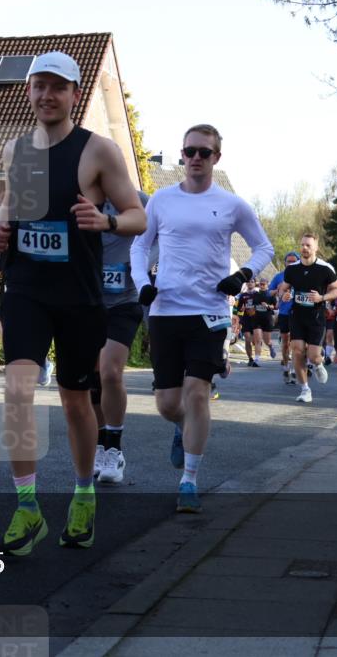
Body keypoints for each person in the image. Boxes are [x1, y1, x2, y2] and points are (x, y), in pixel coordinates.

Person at [0, 51, 146, 554]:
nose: (46, 96)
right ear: (28, 91)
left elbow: (138, 215)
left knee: (77, 401)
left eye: (58, 87)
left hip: (79, 295)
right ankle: (27, 506)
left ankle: (82, 496)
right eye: (38, 86)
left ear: (75, 94)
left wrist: (108, 222)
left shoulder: (98, 151)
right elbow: (12, 211)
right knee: (16, 391)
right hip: (27, 289)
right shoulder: (16, 150)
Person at [132, 123, 274, 512]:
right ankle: (182, 428)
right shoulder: (161, 200)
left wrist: (242, 276)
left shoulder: (232, 204)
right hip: (165, 309)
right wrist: (142, 282)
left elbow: (264, 246)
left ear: (217, 158)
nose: (195, 158)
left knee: (197, 393)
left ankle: (189, 482)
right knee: (166, 403)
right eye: (189, 151)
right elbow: (140, 246)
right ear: (181, 155)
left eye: (204, 153)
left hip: (210, 312)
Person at [92, 193, 150, 484]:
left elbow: (161, 233)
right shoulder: (77, 194)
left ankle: (114, 449)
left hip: (125, 300)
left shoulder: (137, 198)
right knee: (90, 378)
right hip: (88, 301)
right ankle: (101, 444)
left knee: (111, 371)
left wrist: (140, 267)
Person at [276, 233, 337, 402]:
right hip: (297, 316)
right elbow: (283, 288)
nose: (304, 248)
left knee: (313, 356)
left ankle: (318, 363)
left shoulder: (325, 268)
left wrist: (321, 298)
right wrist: (284, 295)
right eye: (302, 245)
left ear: (316, 248)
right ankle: (305, 389)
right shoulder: (292, 269)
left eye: (308, 245)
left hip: (316, 317)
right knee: (297, 351)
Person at [268, 252, 300, 383]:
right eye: (289, 261)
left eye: (294, 261)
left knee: (296, 343)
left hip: (298, 313)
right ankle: (286, 367)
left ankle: (294, 369)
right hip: (284, 313)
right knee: (286, 343)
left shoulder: (301, 276)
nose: (291, 263)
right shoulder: (279, 276)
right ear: (285, 263)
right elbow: (269, 292)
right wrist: (278, 290)